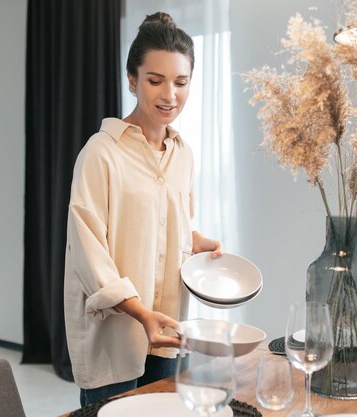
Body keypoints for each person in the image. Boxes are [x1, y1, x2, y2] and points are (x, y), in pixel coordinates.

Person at [63, 12, 222, 406]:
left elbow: (167, 223)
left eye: (181, 82)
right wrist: (141, 314)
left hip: (168, 330)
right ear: (132, 80)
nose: (170, 94)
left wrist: (194, 240)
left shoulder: (183, 154)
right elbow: (88, 250)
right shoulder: (101, 152)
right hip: (116, 336)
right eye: (155, 81)